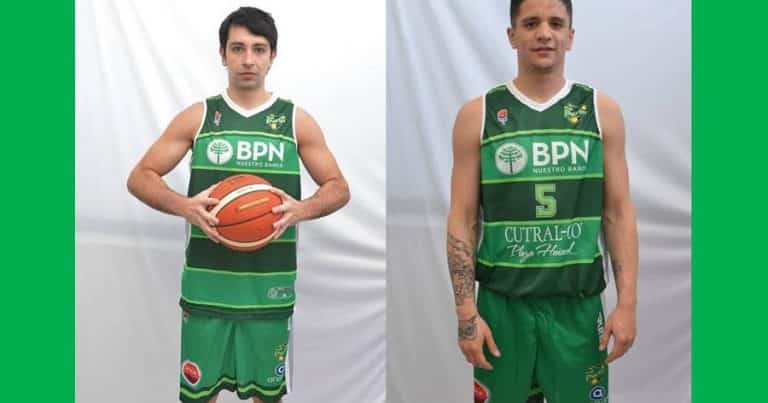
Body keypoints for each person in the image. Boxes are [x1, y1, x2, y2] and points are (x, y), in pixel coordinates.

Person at [126, 7, 350, 403]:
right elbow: (140, 176)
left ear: (272, 56)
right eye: (238, 48)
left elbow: (338, 187)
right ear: (222, 54)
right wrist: (184, 206)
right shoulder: (199, 117)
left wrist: (301, 209)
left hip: (269, 293)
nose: (248, 59)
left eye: (259, 49)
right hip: (205, 291)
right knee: (199, 398)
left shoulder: (294, 121)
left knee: (268, 398)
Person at [446, 0, 638, 402]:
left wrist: (627, 304)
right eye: (531, 23)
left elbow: (617, 214)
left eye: (555, 23)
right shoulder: (478, 115)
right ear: (512, 35)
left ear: (570, 36)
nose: (544, 33)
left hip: (577, 308)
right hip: (502, 308)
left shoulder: (600, 111)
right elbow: (463, 219)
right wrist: (466, 313)